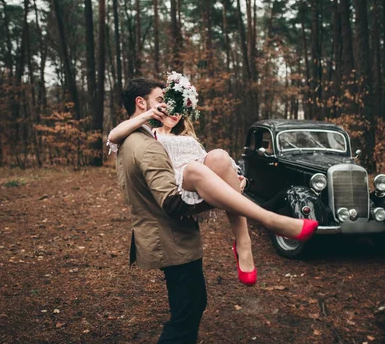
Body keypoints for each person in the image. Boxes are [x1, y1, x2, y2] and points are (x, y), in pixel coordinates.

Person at [109, 78, 318, 287]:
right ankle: (271, 219)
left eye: (176, 106)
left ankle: (243, 241)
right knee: (193, 168)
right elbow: (113, 135)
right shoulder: (144, 134)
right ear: (142, 104)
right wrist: (149, 115)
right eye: (162, 101)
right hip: (178, 186)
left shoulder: (186, 138)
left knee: (219, 155)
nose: (169, 108)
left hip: (202, 179)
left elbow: (209, 162)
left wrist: (231, 178)